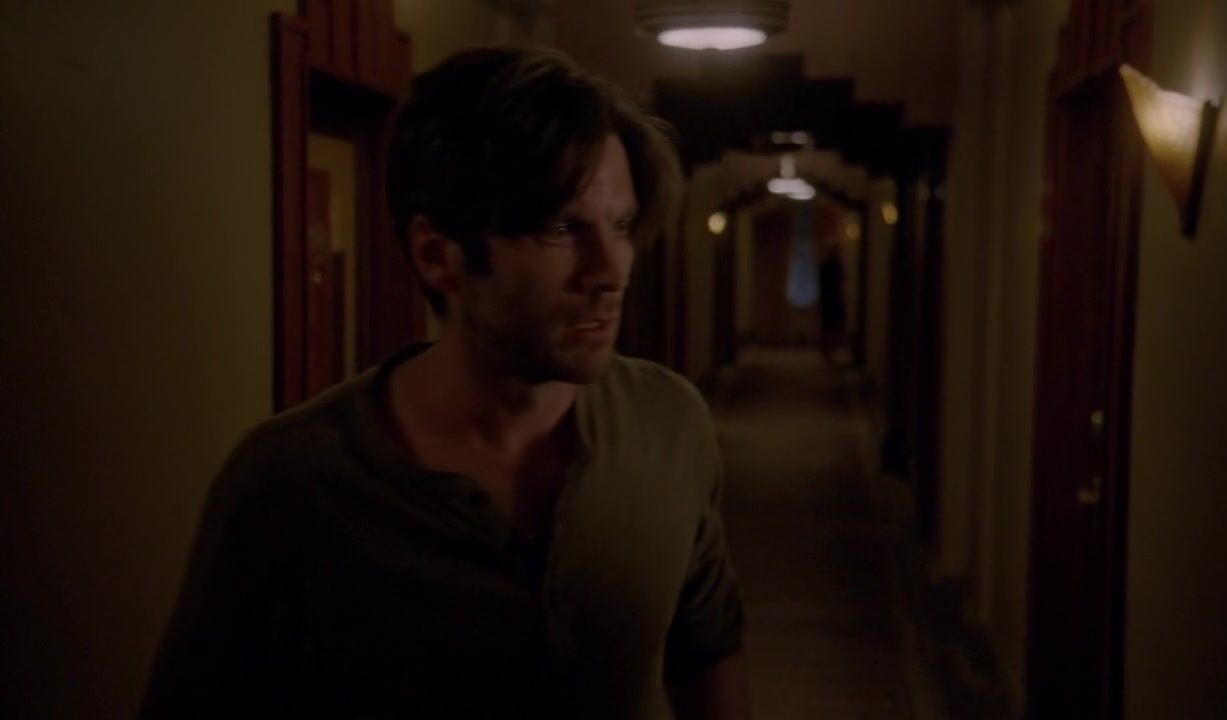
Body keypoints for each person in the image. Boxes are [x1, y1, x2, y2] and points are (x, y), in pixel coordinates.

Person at [139, 46, 749, 719]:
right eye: (559, 229)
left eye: (622, 225)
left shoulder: (668, 421)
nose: (611, 271)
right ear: (437, 255)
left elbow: (707, 649)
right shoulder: (289, 483)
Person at [817, 240, 846, 365]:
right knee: (830, 326)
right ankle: (828, 351)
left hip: (830, 298)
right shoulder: (831, 263)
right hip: (831, 298)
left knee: (830, 326)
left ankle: (829, 351)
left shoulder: (829, 263)